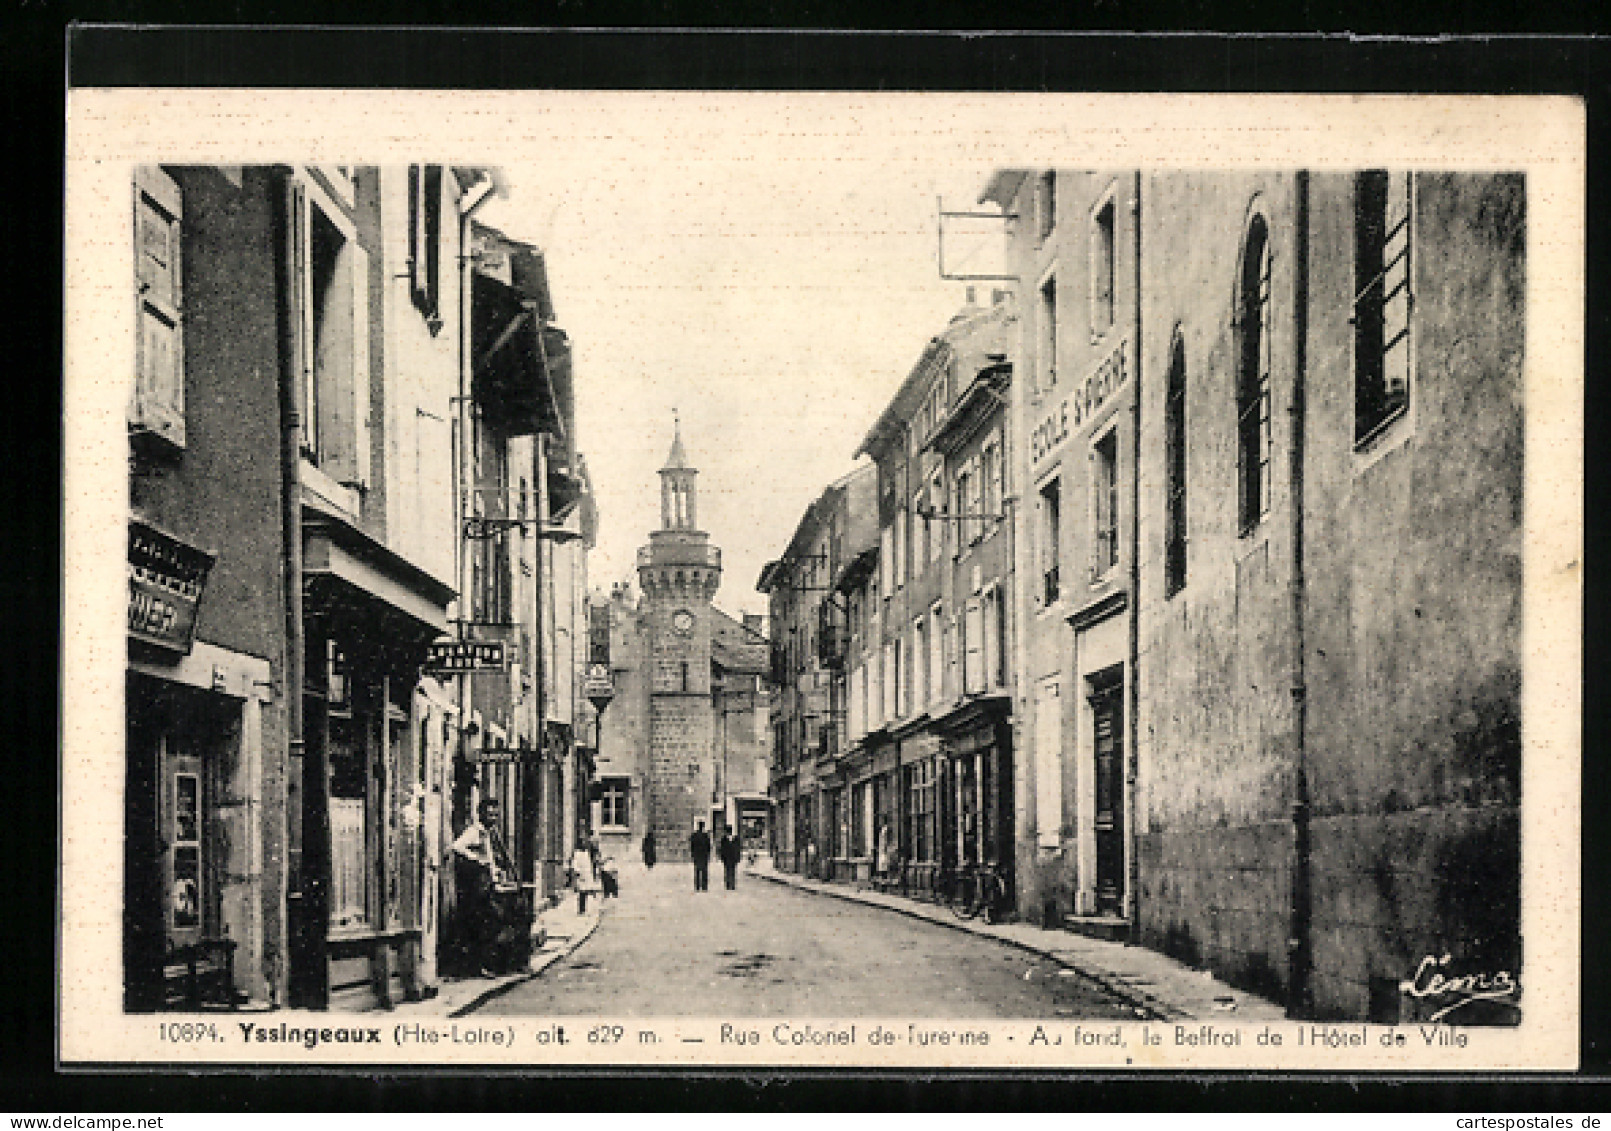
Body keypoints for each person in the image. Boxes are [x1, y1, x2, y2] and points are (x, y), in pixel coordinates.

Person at [451, 798, 529, 977]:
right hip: (477, 889)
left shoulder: (490, 833)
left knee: (507, 920)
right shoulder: (474, 832)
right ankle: (484, 966)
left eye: (495, 815)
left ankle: (505, 963)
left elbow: (492, 859)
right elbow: (457, 847)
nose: (493, 818)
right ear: (480, 814)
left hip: (491, 885)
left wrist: (497, 870)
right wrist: (478, 860)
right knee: (487, 926)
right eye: (489, 815)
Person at [571, 838, 602, 914]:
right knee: (582, 892)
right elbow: (575, 864)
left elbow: (590, 864)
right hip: (581, 874)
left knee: (586, 892)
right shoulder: (577, 853)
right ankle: (581, 909)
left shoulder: (586, 853)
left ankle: (584, 908)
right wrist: (577, 872)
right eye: (583, 843)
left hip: (587, 874)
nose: (584, 845)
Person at [689, 820, 712, 892]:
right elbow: (708, 847)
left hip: (697, 855)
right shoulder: (706, 836)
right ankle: (704, 887)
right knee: (704, 871)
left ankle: (697, 887)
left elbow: (692, 846)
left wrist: (693, 854)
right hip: (703, 855)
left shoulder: (694, 835)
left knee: (697, 871)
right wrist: (708, 854)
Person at [718, 825, 742, 890]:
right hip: (727, 857)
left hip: (733, 857)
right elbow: (722, 849)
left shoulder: (736, 839)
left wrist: (738, 857)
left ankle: (732, 884)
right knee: (727, 871)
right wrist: (722, 857)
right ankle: (728, 884)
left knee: (733, 871)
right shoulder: (724, 839)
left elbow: (738, 849)